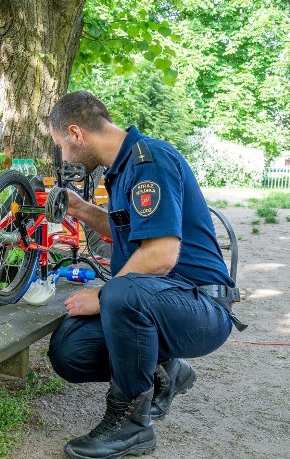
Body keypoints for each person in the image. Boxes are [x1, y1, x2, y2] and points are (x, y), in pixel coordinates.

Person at [46, 91, 244, 459]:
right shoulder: (121, 168)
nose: (65, 157)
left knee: (121, 293)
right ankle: (167, 372)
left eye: (62, 146)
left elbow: (160, 255)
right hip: (163, 299)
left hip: (201, 303)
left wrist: (104, 296)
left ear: (76, 133)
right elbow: (122, 229)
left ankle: (131, 426)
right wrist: (80, 208)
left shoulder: (149, 162)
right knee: (69, 351)